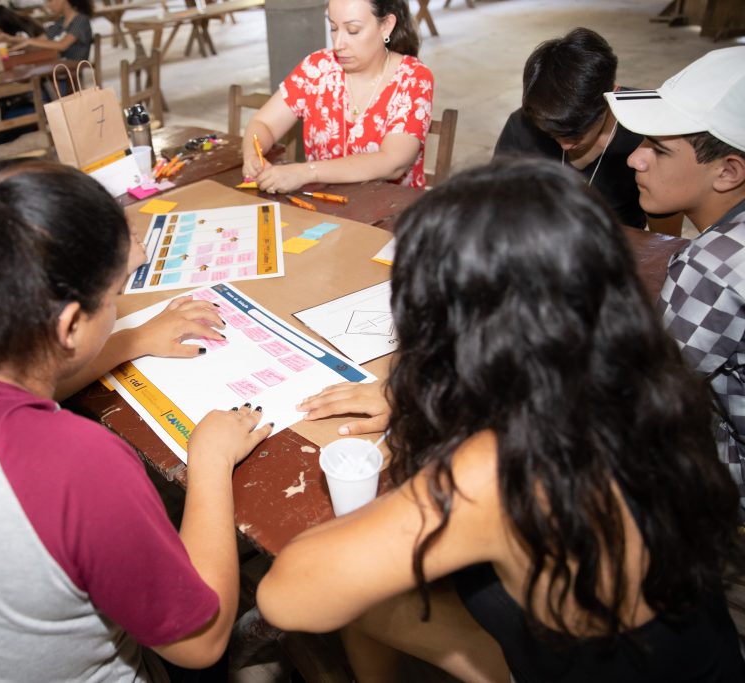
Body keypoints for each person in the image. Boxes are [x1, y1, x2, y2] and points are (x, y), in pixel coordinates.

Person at [259, 158, 745, 682]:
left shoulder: (498, 469)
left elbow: (287, 598)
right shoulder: (643, 378)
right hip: (684, 653)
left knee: (369, 599)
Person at [0, 119, 272, 680]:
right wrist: (209, 462)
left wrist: (130, 340)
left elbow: (1, 401)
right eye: (113, 297)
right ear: (68, 325)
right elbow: (201, 641)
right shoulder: (79, 466)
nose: (115, 309)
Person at [606, 46, 745, 514]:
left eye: (658, 149)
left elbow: (637, 396)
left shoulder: (713, 265)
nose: (635, 160)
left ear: (728, 171)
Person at [240, 0, 432, 194]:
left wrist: (306, 172)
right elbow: (263, 123)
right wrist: (252, 156)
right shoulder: (317, 68)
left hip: (392, 213)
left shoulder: (413, 78)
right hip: (324, 207)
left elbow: (392, 163)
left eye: (353, 30)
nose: (338, 44)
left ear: (386, 26)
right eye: (333, 28)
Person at [494, 28, 646, 229]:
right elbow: (497, 206)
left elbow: (666, 228)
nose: (565, 145)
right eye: (552, 133)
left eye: (577, 133)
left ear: (611, 95)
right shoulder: (523, 127)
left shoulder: (645, 130)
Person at [12, 0, 92, 62]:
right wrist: (11, 40)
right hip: (58, 64)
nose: (48, 5)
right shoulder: (61, 21)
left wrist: (29, 41)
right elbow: (41, 40)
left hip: (73, 69)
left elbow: (62, 45)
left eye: (50, 1)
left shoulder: (81, 20)